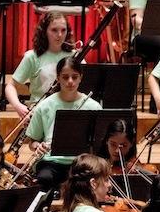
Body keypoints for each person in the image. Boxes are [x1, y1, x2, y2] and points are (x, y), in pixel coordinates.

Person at [25, 57, 102, 191]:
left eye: (74, 77)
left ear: (81, 78)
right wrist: (38, 146)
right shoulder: (45, 105)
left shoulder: (93, 106)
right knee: (44, 179)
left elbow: (99, 142)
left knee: (89, 182)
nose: (70, 81)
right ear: (58, 78)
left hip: (81, 163)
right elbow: (32, 142)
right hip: (52, 162)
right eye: (65, 77)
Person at [5, 12, 74, 118]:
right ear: (44, 31)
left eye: (63, 30)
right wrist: (18, 106)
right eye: (54, 30)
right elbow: (10, 86)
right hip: (40, 114)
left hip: (69, 115)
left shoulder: (75, 56)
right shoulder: (32, 56)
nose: (60, 35)